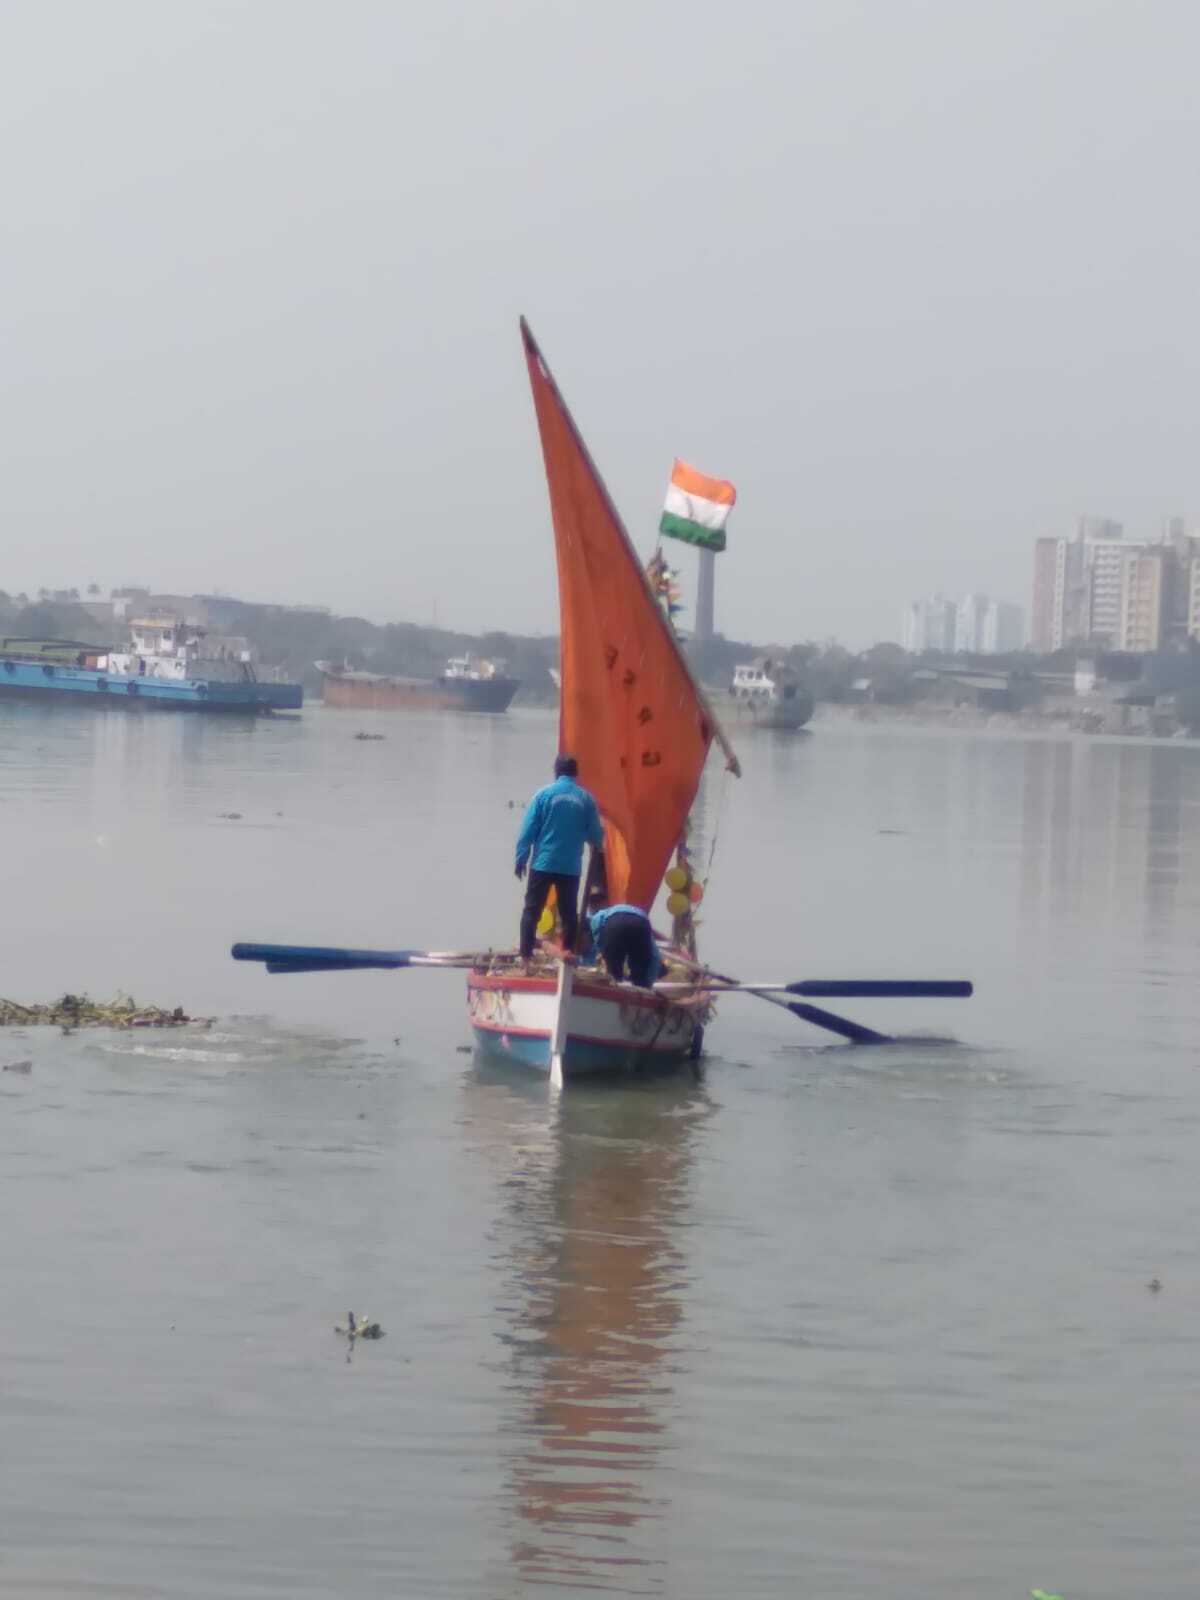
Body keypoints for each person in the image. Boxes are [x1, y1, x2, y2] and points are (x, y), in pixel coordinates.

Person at [515, 754, 603, 963]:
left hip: (543, 864)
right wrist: (597, 842)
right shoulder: (586, 799)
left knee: (531, 911)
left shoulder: (543, 795)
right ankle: (567, 957)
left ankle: (525, 955)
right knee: (569, 915)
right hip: (569, 867)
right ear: (576, 774)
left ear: (556, 772)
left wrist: (521, 858)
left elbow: (528, 830)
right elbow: (596, 836)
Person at [586, 898, 663, 989]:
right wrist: (647, 983)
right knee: (639, 973)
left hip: (615, 922)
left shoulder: (597, 918)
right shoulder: (602, 916)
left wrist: (603, 955)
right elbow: (654, 955)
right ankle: (640, 987)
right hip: (642, 922)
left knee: (613, 973)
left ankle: (615, 985)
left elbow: (600, 943)